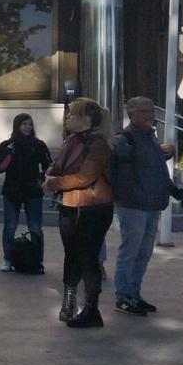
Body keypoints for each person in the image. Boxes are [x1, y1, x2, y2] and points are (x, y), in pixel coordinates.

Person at [44, 98, 114, 328]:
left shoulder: (98, 144)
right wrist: (50, 174)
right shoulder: (70, 140)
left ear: (86, 119)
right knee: (71, 254)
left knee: (88, 257)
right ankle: (69, 301)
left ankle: (92, 309)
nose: (67, 117)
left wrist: (52, 182)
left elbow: (85, 177)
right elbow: (57, 164)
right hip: (69, 206)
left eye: (71, 114)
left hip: (93, 208)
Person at [111, 97, 175, 315]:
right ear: (132, 114)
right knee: (130, 251)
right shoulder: (124, 139)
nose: (150, 115)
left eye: (151, 110)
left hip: (152, 203)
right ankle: (123, 297)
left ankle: (134, 293)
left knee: (144, 252)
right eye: (145, 111)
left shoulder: (151, 137)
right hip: (133, 204)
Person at [0, 113, 52, 273]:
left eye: (30, 124)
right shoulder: (7, 145)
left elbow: (49, 166)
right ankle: (8, 258)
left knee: (35, 228)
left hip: (33, 191)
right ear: (17, 126)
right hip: (12, 191)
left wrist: (40, 180)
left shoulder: (38, 145)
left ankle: (37, 260)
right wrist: (9, 153)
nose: (27, 127)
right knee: (10, 227)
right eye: (24, 124)